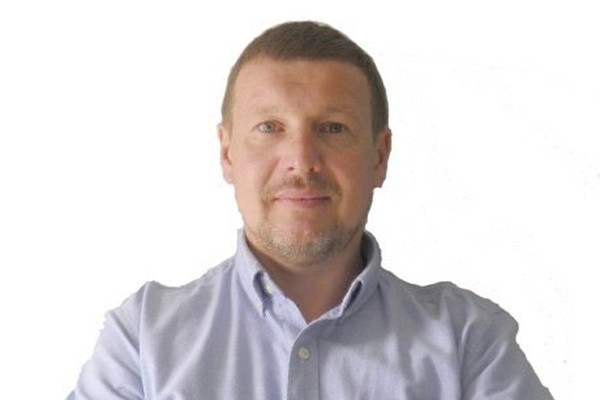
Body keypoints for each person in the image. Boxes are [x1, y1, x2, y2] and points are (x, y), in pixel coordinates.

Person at [68, 21, 554, 399]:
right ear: (227, 153)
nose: (301, 162)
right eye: (270, 127)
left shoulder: (469, 342)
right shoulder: (143, 341)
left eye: (333, 128)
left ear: (380, 156)